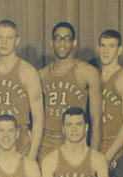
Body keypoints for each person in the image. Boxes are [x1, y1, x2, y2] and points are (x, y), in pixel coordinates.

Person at [0, 20, 44, 160]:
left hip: (18, 141)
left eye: (9, 38)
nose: (4, 42)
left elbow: (38, 117)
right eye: (0, 37)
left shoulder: (28, 71)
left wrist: (32, 154)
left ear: (17, 40)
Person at [39, 22, 102, 162]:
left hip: (75, 144)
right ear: (51, 42)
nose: (62, 43)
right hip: (47, 145)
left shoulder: (88, 72)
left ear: (74, 43)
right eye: (58, 38)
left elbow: (96, 120)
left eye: (67, 39)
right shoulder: (42, 75)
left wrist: (94, 157)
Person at [98, 29, 123, 166]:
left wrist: (108, 156)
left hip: (118, 149)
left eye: (111, 46)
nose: (106, 50)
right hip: (97, 146)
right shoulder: (94, 77)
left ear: (119, 50)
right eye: (103, 45)